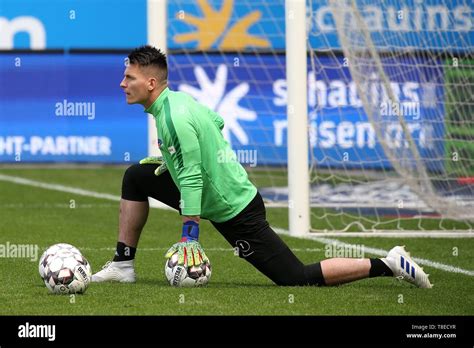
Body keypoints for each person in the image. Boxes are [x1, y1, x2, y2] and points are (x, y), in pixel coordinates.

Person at [92, 45, 432, 289]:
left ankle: (388, 264)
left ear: (150, 83)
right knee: (137, 176)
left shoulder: (175, 116)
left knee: (295, 278)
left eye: (129, 77)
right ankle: (123, 264)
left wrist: (190, 234)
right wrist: (172, 160)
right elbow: (217, 121)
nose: (123, 84)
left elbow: (194, 176)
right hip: (214, 195)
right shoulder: (177, 102)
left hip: (234, 209)